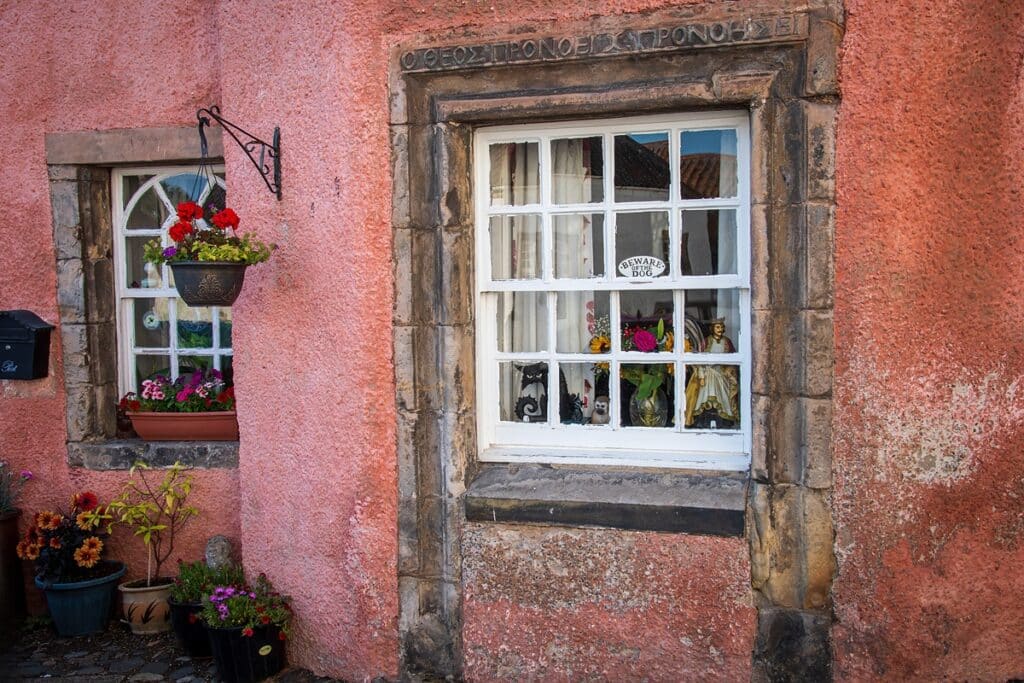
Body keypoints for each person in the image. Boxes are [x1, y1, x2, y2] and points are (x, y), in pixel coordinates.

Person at [684, 318, 739, 428]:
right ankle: (703, 416)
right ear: (712, 329)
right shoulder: (706, 342)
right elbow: (700, 360)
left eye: (722, 327)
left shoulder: (727, 342)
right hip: (707, 372)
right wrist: (701, 375)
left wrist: (729, 371)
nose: (720, 329)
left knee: (723, 394)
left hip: (722, 373)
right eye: (717, 327)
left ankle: (724, 418)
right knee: (705, 391)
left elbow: (732, 360)